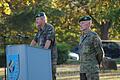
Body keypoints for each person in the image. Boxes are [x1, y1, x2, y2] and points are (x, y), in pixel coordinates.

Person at [30, 12, 57, 80]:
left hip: (49, 56)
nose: (36, 21)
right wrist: (28, 50)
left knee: (51, 75)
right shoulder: (39, 30)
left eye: (38, 19)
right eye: (36, 19)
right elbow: (34, 41)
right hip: (42, 56)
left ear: (43, 19)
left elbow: (48, 41)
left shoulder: (49, 28)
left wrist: (43, 54)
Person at [78, 16, 104, 80]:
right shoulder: (82, 37)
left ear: (89, 24)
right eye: (80, 23)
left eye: (83, 23)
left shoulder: (94, 36)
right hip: (83, 69)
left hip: (92, 70)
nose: (80, 25)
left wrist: (95, 63)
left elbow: (100, 52)